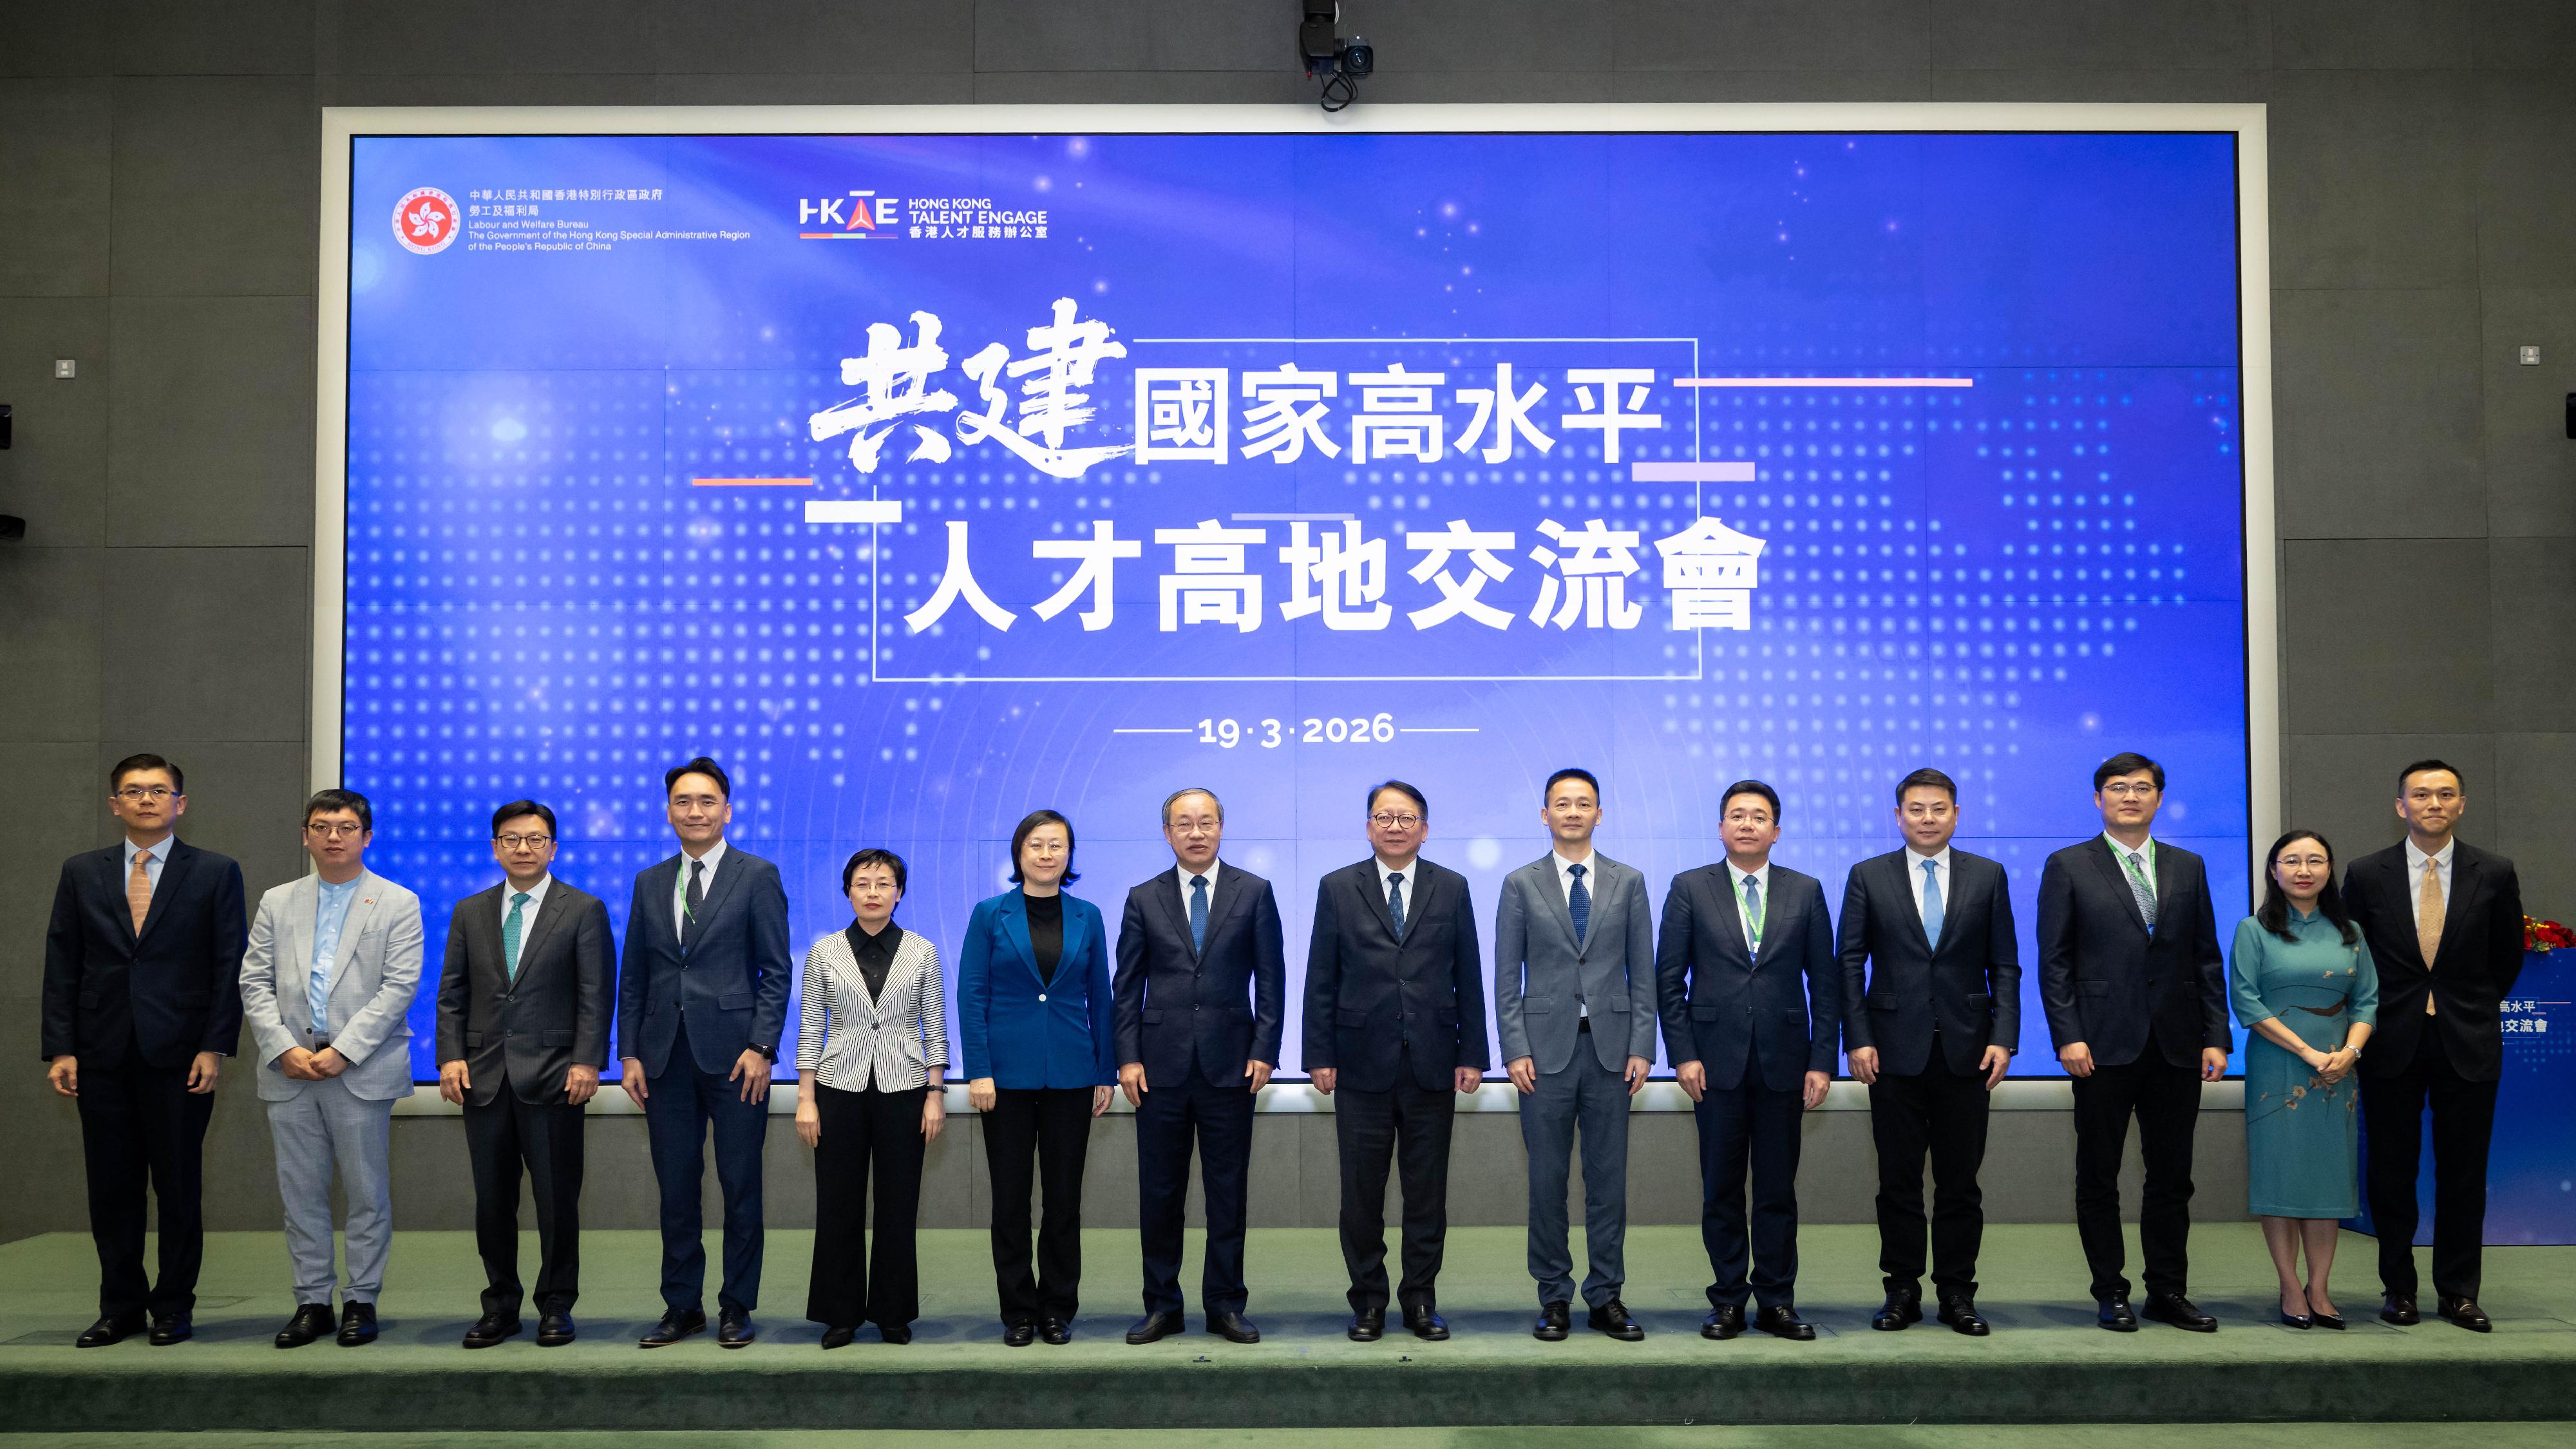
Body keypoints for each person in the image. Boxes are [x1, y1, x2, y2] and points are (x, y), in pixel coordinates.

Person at [42, 754, 247, 1348]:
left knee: (178, 1186)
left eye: (160, 791)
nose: (147, 800)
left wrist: (216, 1046)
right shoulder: (82, 871)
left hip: (181, 1054)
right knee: (112, 1187)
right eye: (134, 791)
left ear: (180, 803)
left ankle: (173, 1307)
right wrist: (62, 1046)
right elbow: (62, 962)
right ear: (115, 805)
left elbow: (226, 964)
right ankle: (120, 1306)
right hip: (100, 1052)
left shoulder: (213, 871)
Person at [2037, 751, 2231, 1333]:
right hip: (2100, 1046)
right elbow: (2056, 963)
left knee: (2172, 1177)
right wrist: (2067, 1035)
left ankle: (2167, 1290)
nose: (2130, 796)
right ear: (2099, 799)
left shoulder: (2187, 866)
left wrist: (2216, 1035)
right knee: (2098, 1175)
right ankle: (2111, 1292)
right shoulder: (2069, 865)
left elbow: (2206, 957)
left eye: (2142, 788)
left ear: (2159, 799)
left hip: (2175, 1044)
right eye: (2118, 788)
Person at [236, 788, 424, 1349]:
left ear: (367, 837)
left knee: (367, 1193)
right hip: (290, 1069)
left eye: (345, 827)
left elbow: (399, 987)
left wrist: (343, 1050)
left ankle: (361, 1300)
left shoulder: (397, 901)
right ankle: (311, 1300)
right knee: (301, 1195)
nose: (333, 836)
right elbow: (254, 981)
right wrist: (282, 1047)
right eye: (322, 826)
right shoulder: (277, 900)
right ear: (306, 836)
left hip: (359, 1070)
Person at [2342, 759, 2523, 1332]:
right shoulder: (2367, 873)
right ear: (2401, 806)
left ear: (2462, 804)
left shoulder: (2493, 871)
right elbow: (2353, 956)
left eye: (2446, 794)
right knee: (2391, 1172)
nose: (2434, 804)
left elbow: (2507, 958)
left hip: (2467, 1040)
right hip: (2390, 1040)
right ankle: (2399, 1290)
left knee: (2464, 1173)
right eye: (2421, 795)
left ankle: (2459, 1293)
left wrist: (2463, 1005)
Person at [1305, 780, 1490, 1343]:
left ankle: (1420, 1299)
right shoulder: (1338, 887)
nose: (1394, 826)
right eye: (1383, 816)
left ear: (1424, 829)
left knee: (1426, 1192)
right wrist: (1320, 1054)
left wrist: (1473, 1054)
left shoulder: (1452, 887)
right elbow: (1321, 978)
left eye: (1406, 817)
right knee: (1361, 1192)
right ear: (1368, 827)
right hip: (1360, 1064)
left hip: (1433, 1061)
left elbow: (1469, 975)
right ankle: (1367, 1301)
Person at [616, 756, 791, 1349]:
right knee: (677, 1188)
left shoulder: (757, 874)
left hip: (738, 1060)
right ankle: (681, 1306)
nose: (696, 811)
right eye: (684, 802)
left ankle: (737, 1306)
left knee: (741, 1186)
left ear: (727, 810)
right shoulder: (648, 881)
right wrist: (631, 1052)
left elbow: (776, 970)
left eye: (707, 801)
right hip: (664, 1059)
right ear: (668, 812)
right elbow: (634, 974)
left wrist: (762, 1046)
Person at [1838, 767, 2020, 1338]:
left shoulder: (1988, 876)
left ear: (1956, 815)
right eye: (1915, 810)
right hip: (1891, 1052)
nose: (1927, 818)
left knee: (1960, 1181)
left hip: (1969, 1051)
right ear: (1898, 817)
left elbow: (2005, 964)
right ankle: (1902, 1290)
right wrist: (1859, 1037)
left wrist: (2004, 1036)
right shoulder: (1868, 876)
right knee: (1898, 1180)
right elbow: (1849, 963)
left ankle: (1958, 1292)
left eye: (1938, 809)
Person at [1656, 779, 1839, 1342]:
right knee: (1722, 1189)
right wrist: (1683, 1055)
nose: (1747, 824)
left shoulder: (1805, 891)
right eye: (1737, 815)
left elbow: (1825, 984)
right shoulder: (1690, 888)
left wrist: (1821, 1060)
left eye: (1759, 817)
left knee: (1779, 1189)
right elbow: (1669, 980)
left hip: (1786, 1062)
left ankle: (1777, 1301)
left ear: (1776, 832)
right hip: (1715, 1064)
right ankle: (1728, 1300)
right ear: (1720, 827)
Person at [436, 799, 614, 1349]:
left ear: (553, 848)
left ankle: (556, 1304)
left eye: (535, 840)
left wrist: (588, 1060)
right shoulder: (470, 910)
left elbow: (595, 993)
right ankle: (501, 1305)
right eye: (511, 839)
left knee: (557, 1201)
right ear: (495, 848)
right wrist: (449, 1057)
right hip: (483, 1078)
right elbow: (452, 992)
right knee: (493, 1201)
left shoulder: (583, 909)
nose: (523, 848)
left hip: (557, 1076)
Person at [1113, 788, 1285, 1347]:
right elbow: (1126, 987)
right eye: (1184, 824)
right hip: (1158, 1070)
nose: (1196, 832)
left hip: (1232, 1065)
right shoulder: (1143, 897)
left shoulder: (1254, 892)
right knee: (1160, 1193)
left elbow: (1272, 980)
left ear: (1221, 827)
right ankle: (1162, 1304)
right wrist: (1128, 1056)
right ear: (1167, 833)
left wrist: (1264, 1049)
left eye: (1206, 822)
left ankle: (1225, 1304)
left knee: (1226, 1191)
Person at [1492, 767, 1654, 1342]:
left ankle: (1606, 1295)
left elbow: (1644, 971)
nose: (1572, 812)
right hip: (1543, 1056)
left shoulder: (1629, 881)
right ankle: (1554, 1295)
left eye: (1583, 803)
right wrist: (1513, 1049)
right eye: (1561, 804)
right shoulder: (1520, 883)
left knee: (1608, 1182)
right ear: (1544, 815)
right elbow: (1506, 976)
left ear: (1600, 814)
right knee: (1547, 1182)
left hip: (1613, 1055)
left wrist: (1643, 1044)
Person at [958, 809, 1116, 1346]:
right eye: (1037, 845)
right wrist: (978, 1070)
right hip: (1004, 1078)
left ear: (1069, 855)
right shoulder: (989, 915)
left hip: (1073, 1073)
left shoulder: (1088, 915)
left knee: (1064, 1199)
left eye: (1058, 846)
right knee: (1010, 1200)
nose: (1047, 854)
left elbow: (1102, 997)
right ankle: (1018, 1311)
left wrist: (1104, 1070)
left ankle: (1057, 1307)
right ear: (1019, 852)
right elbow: (971, 994)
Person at [795, 848, 949, 1349]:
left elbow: (936, 1027)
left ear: (899, 892)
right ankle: (841, 1314)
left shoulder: (922, 951)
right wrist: (806, 1098)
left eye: (884, 883)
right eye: (863, 883)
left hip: (905, 1089)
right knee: (837, 1204)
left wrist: (935, 1093)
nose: (873, 892)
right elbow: (811, 1026)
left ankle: (892, 1312)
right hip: (838, 1088)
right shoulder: (825, 952)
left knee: (898, 1205)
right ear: (848, 892)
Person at [2230, 829, 2378, 1331]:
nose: (2303, 870)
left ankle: (2319, 1286)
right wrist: (2307, 1051)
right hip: (2280, 1069)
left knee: (2327, 1178)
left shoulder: (2350, 931)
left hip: (2339, 1071)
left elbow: (2367, 1001)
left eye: (2315, 860)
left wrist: (2351, 1052)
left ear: (2329, 869)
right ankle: (2289, 1285)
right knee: (2281, 1176)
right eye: (2291, 861)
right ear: (2273, 870)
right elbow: (2246, 1002)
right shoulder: (2254, 930)